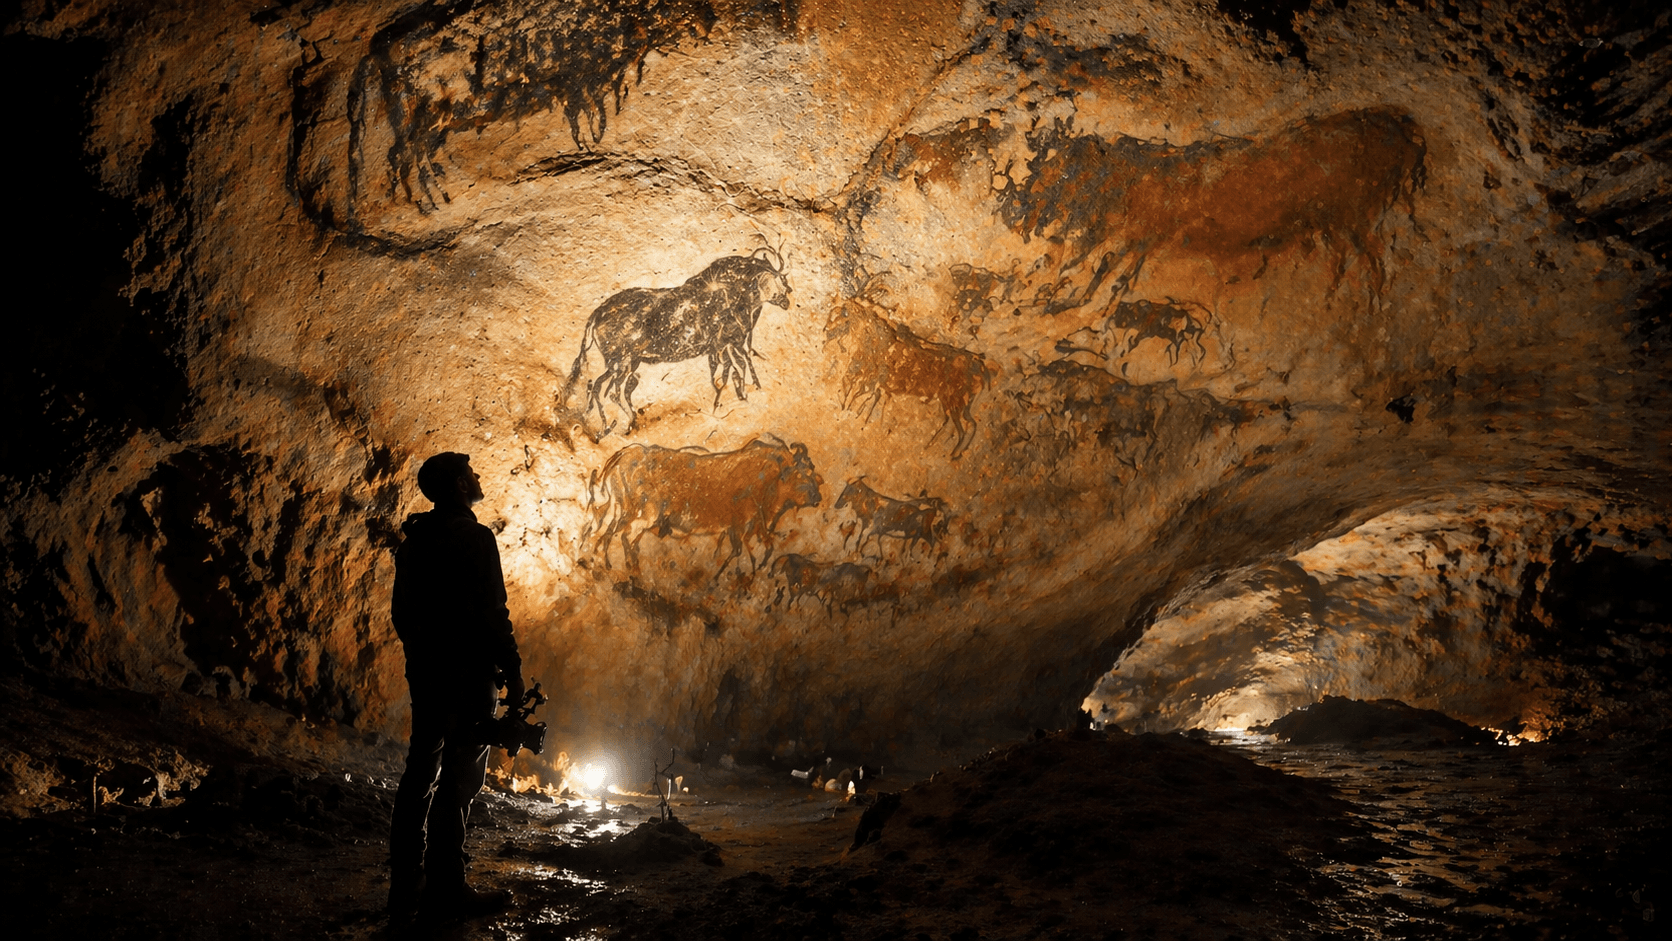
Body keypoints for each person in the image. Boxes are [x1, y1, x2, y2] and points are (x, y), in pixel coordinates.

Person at [388, 452, 524, 920]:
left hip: (427, 675)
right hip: (469, 677)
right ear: (460, 485)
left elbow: (401, 616)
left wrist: (424, 658)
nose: (479, 474)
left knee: (420, 775)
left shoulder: (414, 542)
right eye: (472, 471)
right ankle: (447, 888)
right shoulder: (475, 537)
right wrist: (513, 667)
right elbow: (493, 613)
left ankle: (404, 886)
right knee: (460, 779)